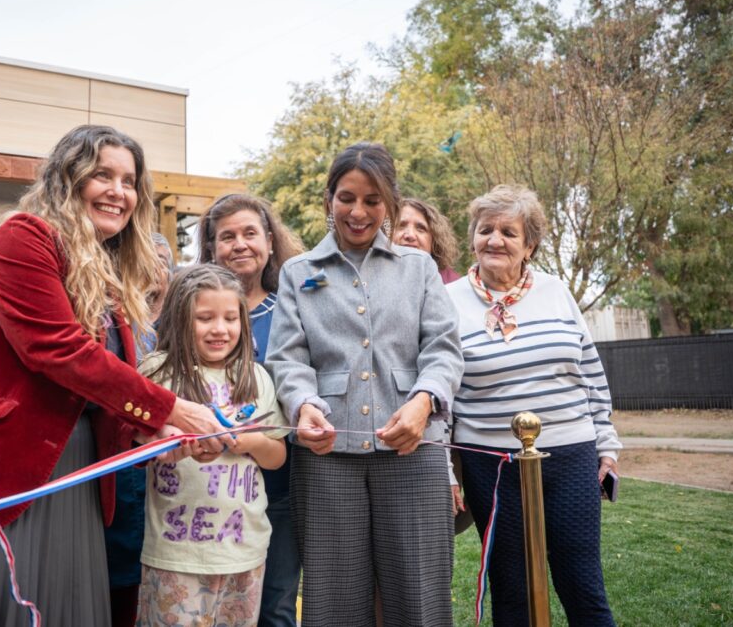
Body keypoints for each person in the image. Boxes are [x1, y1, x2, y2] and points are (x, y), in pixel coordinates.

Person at [0, 125, 222, 627]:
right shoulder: (23, 236)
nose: (119, 191)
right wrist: (170, 408)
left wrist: (151, 431)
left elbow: (95, 392)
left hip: (75, 474)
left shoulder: (109, 271)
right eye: (102, 175)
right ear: (67, 179)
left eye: (129, 180)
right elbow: (56, 350)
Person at [266, 142, 463, 627]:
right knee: (333, 602)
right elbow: (288, 358)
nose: (358, 212)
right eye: (346, 198)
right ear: (329, 199)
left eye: (373, 200)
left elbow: (443, 348)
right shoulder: (299, 272)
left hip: (414, 452)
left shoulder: (419, 270)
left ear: (390, 205)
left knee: (419, 597)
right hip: (327, 458)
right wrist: (302, 405)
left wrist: (423, 403)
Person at [447, 184, 621, 626]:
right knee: (512, 589)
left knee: (582, 584)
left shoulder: (556, 291)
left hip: (570, 456)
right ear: (473, 238)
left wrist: (607, 444)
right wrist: (447, 470)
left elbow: (590, 373)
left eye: (509, 231)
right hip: (492, 462)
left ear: (530, 244)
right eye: (486, 229)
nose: (495, 240)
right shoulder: (447, 302)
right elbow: (440, 392)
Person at [137, 264, 288, 626]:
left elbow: (277, 456)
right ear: (179, 319)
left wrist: (247, 441)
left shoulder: (255, 376)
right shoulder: (157, 372)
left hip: (245, 552)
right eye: (205, 318)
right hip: (176, 554)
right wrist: (168, 440)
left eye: (230, 318)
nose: (220, 329)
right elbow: (136, 439)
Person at [195, 193, 303, 627]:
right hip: (207, 491)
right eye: (227, 237)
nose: (239, 244)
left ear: (271, 241)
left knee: (276, 603)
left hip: (278, 486)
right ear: (211, 249)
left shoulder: (293, 309)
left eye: (249, 234)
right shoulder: (187, 314)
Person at [105, 232, 175, 627]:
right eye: (144, 257)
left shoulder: (183, 324)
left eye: (162, 259)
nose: (154, 267)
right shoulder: (111, 321)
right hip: (119, 465)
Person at [393, 197, 466, 521]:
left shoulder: (454, 292)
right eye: (401, 225)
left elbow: (443, 373)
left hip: (450, 439)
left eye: (420, 227)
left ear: (433, 238)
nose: (410, 234)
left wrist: (447, 469)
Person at [395, 198, 461, 285]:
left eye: (420, 229)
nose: (410, 235)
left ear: (434, 240)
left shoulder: (452, 285)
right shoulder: (372, 276)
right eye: (401, 226)